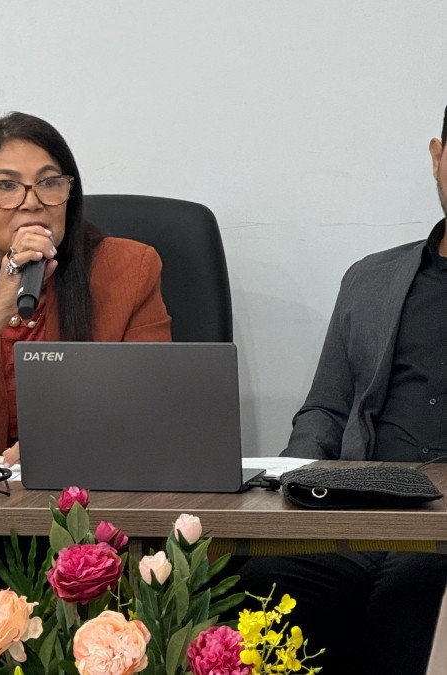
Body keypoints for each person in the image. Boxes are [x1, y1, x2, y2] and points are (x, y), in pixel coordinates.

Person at [237, 105, 447, 675]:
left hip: (442, 535)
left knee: (418, 590)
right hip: (360, 515)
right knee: (258, 582)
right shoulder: (370, 279)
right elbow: (326, 408)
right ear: (437, 158)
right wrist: (291, 482)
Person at [0, 112, 171, 463]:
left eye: (49, 182)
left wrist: (59, 446)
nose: (33, 201)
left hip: (92, 486)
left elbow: (151, 410)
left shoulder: (129, 269)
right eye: (6, 186)